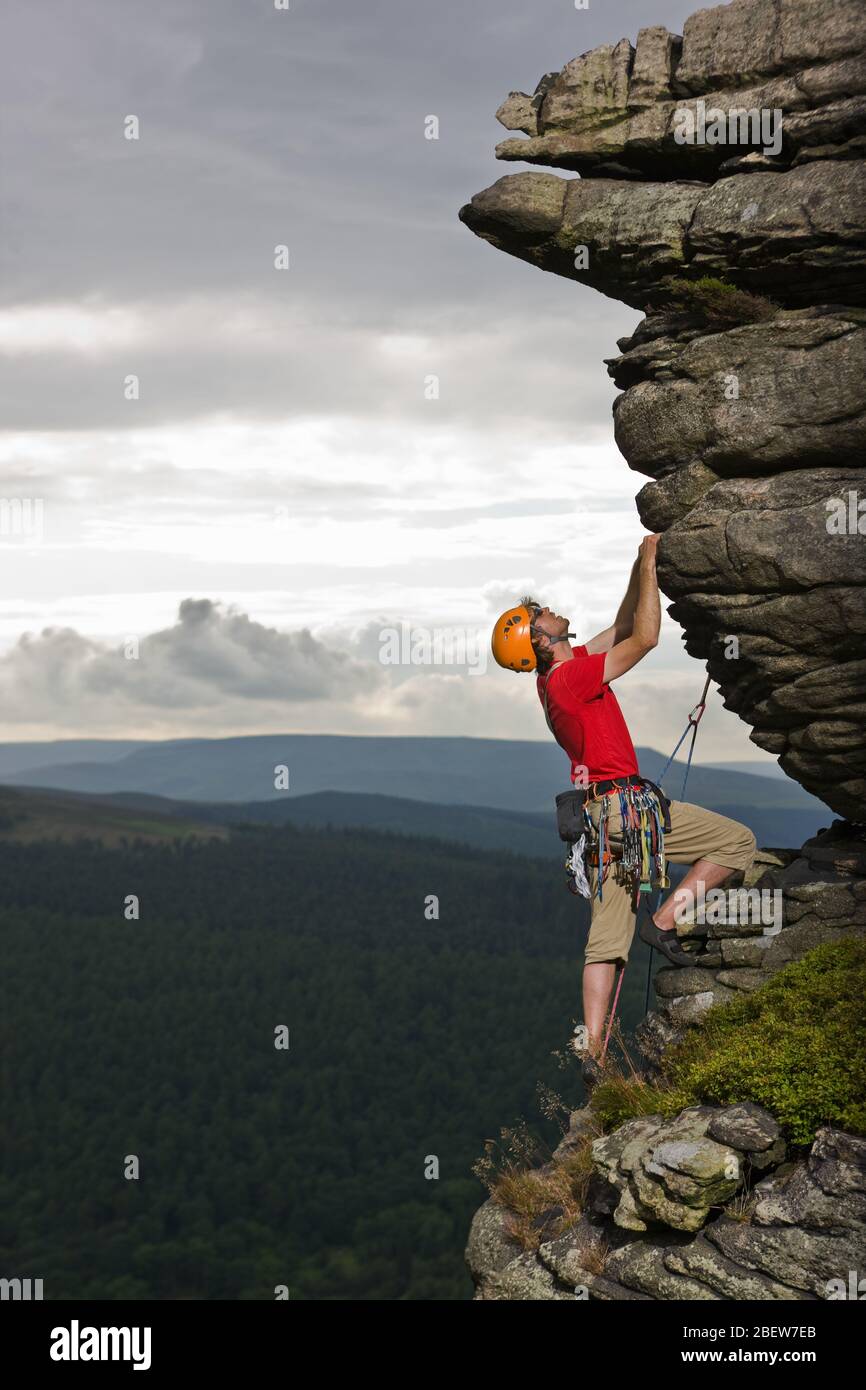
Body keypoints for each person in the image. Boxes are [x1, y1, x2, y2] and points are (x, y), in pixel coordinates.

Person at [490, 535, 756, 1083]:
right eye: (541, 615)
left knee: (605, 940)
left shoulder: (560, 673)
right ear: (540, 641)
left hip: (599, 822)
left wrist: (640, 565)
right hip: (629, 813)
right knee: (738, 842)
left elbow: (618, 625)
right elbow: (647, 637)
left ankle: (592, 1054)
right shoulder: (569, 678)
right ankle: (662, 922)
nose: (550, 610)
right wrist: (653, 563)